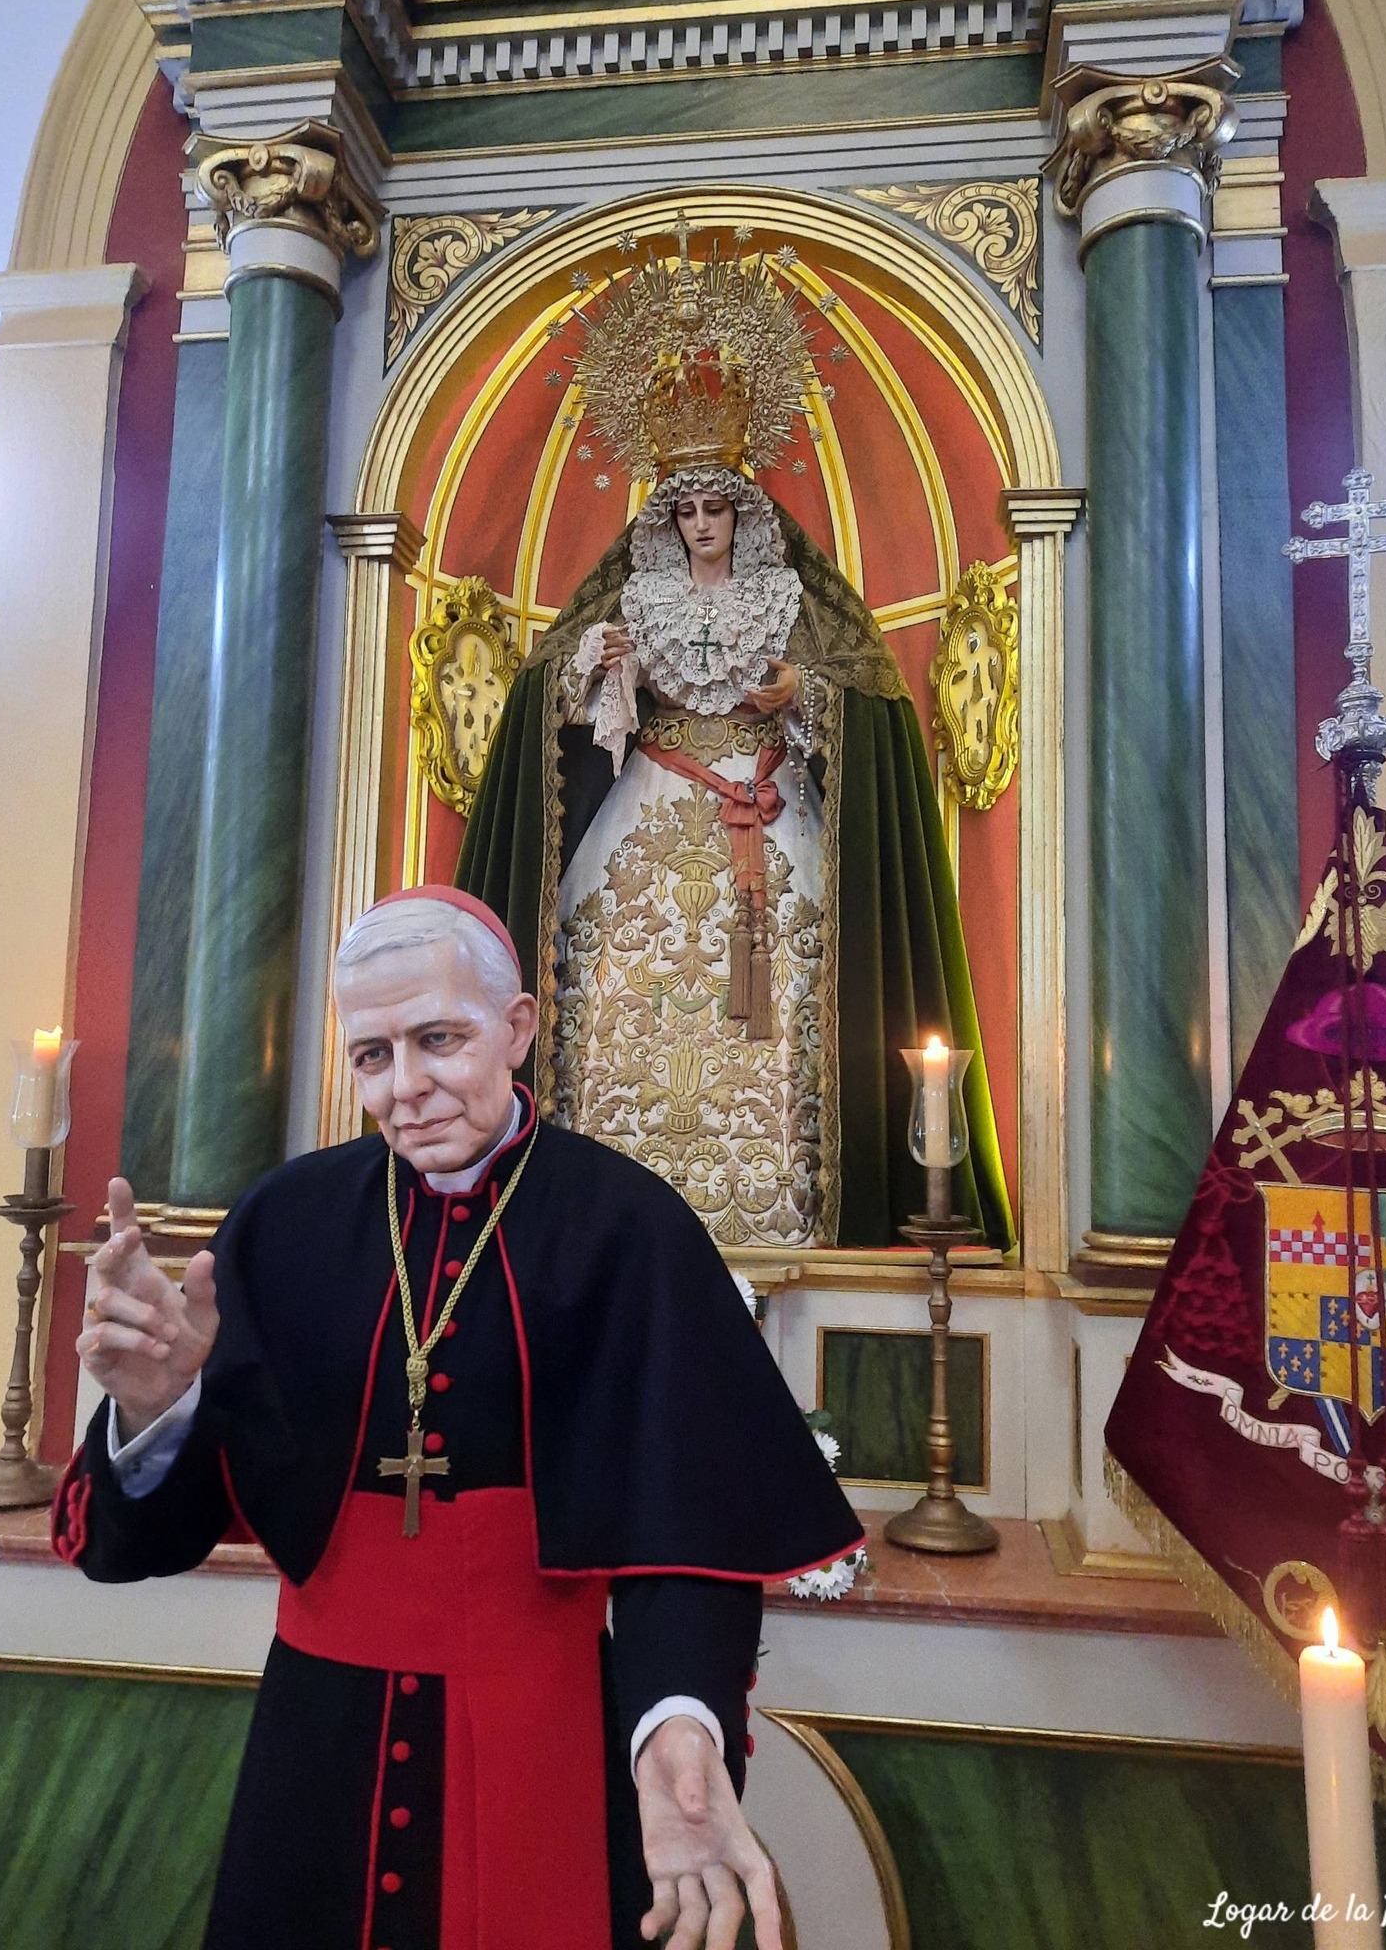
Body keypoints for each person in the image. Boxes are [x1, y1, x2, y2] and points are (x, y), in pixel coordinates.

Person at [54, 886, 862, 1950]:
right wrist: (157, 1408)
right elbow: (145, 1541)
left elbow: (687, 1532)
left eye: (439, 1039)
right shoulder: (284, 1222)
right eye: (373, 1054)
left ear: (517, 1028)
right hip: (317, 1752)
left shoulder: (628, 1228)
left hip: (546, 1738)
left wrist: (678, 1725)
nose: (407, 1086)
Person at [458, 223, 1011, 1250]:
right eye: (688, 510)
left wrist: (802, 692)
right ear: (666, 519)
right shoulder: (629, 597)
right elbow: (548, 707)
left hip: (769, 826)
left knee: (787, 1016)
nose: (704, 522)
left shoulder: (794, 600)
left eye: (718, 505)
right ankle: (610, 1225)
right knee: (618, 1001)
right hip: (645, 834)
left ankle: (779, 1214)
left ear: (741, 511)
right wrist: (602, 673)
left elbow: (873, 702)